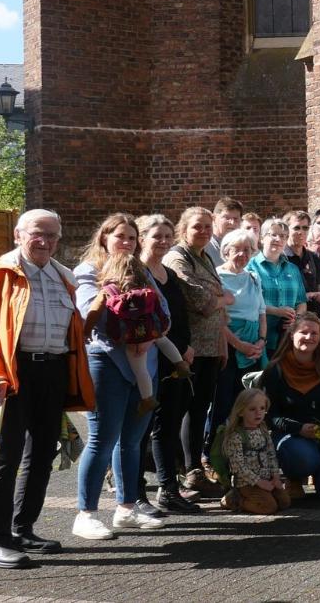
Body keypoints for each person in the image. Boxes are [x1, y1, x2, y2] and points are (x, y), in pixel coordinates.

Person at [0, 210, 94, 565]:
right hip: (14, 372)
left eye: (53, 235)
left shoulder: (63, 277)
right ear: (19, 234)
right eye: (38, 234)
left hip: (52, 371)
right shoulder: (2, 273)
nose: (46, 241)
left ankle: (24, 528)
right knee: (5, 457)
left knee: (41, 454)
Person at [72, 213, 167, 539]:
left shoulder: (141, 270)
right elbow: (87, 314)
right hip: (106, 364)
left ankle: (127, 508)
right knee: (101, 440)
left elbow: (164, 313)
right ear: (104, 238)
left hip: (146, 365)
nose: (126, 243)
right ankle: (86, 513)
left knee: (131, 441)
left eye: (131, 238)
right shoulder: (88, 271)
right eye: (120, 237)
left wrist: (148, 336)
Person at [163, 207, 232, 498]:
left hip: (211, 347)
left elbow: (217, 302)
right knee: (178, 411)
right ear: (183, 229)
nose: (203, 231)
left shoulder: (204, 258)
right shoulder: (178, 257)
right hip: (189, 349)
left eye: (207, 226)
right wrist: (222, 298)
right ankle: (180, 472)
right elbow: (200, 299)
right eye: (196, 227)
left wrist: (222, 342)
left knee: (199, 409)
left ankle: (194, 470)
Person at [136, 214, 200, 515]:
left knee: (169, 425)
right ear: (142, 238)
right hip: (150, 359)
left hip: (177, 359)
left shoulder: (168, 275)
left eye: (166, 236)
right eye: (156, 236)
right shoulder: (136, 272)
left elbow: (180, 315)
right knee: (143, 429)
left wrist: (185, 348)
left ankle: (168, 489)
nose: (162, 242)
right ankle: (136, 493)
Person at [257, 312, 320, 501]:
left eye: (314, 334)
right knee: (304, 458)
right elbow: (269, 415)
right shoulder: (275, 369)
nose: (309, 337)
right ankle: (294, 477)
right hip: (291, 436)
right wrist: (298, 428)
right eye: (304, 332)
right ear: (292, 334)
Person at [91, 252, 185, 414]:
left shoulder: (110, 290)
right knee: (163, 341)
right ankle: (180, 364)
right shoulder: (145, 286)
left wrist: (86, 331)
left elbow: (93, 312)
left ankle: (147, 399)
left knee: (140, 370)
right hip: (152, 329)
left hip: (132, 338)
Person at [213, 230, 268, 444]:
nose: (243, 254)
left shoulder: (253, 277)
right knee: (222, 402)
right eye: (238, 249)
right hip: (227, 346)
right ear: (226, 251)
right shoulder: (216, 276)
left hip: (253, 347)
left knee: (246, 402)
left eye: (248, 250)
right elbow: (216, 318)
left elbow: (261, 311)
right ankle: (213, 452)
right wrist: (238, 344)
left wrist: (261, 341)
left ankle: (242, 449)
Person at [218, 388, 291, 515]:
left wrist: (275, 477)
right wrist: (259, 482)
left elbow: (271, 455)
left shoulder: (263, 431)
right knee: (269, 507)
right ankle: (234, 500)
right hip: (248, 483)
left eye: (262, 408)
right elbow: (238, 467)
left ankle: (255, 496)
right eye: (252, 409)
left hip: (266, 479)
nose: (258, 413)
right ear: (241, 412)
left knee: (285, 502)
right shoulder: (237, 435)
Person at [249, 218, 305, 362]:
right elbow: (247, 302)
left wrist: (296, 319)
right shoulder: (250, 267)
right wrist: (276, 311)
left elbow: (301, 301)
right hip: (258, 339)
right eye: (273, 234)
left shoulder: (293, 269)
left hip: (287, 338)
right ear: (262, 238)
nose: (278, 239)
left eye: (283, 236)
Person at [283, 211, 320, 320]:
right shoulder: (280, 258)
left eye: (305, 228)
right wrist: (304, 297)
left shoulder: (315, 257)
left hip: (315, 317)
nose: (301, 232)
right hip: (289, 318)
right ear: (287, 230)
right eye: (296, 228)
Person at [205, 197, 244, 265]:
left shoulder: (244, 246)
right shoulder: (205, 246)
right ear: (214, 219)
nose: (232, 222)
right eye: (227, 218)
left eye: (236, 218)